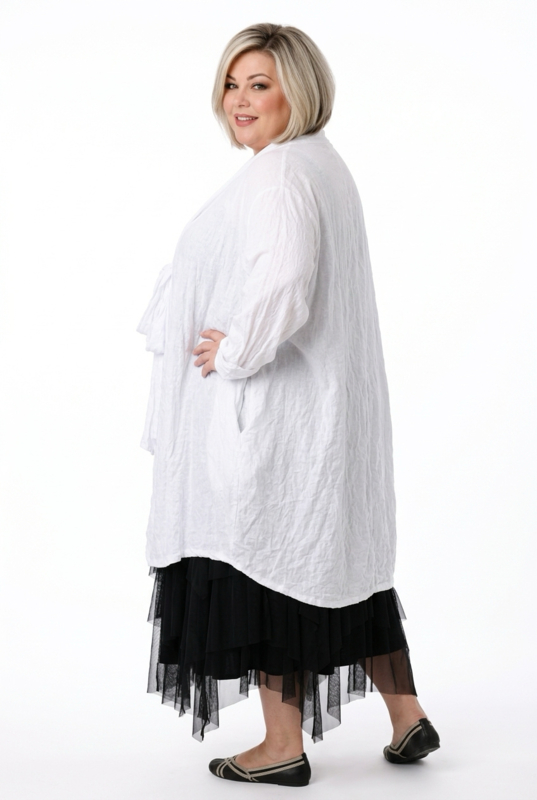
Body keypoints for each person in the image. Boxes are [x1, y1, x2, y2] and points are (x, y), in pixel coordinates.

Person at [137, 22, 440, 788]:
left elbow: (285, 284)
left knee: (267, 567)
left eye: (259, 85)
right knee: (332, 565)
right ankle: (406, 715)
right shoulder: (318, 163)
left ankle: (280, 745)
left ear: (296, 92)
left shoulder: (280, 173)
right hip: (324, 413)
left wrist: (234, 349)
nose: (239, 100)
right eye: (231, 84)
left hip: (276, 417)